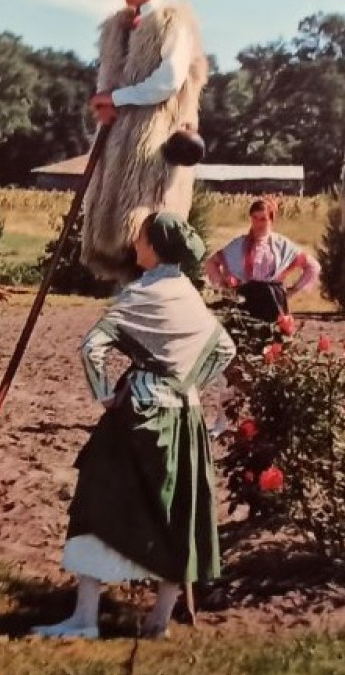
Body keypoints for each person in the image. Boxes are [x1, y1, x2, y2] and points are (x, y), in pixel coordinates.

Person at [35, 212, 237, 641]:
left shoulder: (143, 293)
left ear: (156, 246)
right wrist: (189, 383)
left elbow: (91, 347)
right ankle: (158, 622)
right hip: (185, 417)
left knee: (98, 503)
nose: (135, 244)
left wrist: (106, 395)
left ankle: (85, 618)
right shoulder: (189, 294)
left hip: (138, 415)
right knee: (175, 511)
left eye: (141, 238)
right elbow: (224, 347)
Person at [80, 0, 210, 284]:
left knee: (146, 237)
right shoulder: (118, 30)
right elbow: (106, 86)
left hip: (152, 155)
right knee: (119, 247)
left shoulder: (171, 23)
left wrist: (117, 99)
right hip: (116, 154)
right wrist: (104, 105)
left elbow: (167, 81)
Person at [204, 197, 318, 321]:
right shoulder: (239, 244)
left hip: (274, 300)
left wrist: (292, 291)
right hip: (245, 300)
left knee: (273, 338)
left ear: (271, 220)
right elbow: (211, 263)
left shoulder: (281, 244)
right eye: (255, 218)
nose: (258, 223)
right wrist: (225, 288)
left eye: (263, 219)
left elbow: (313, 266)